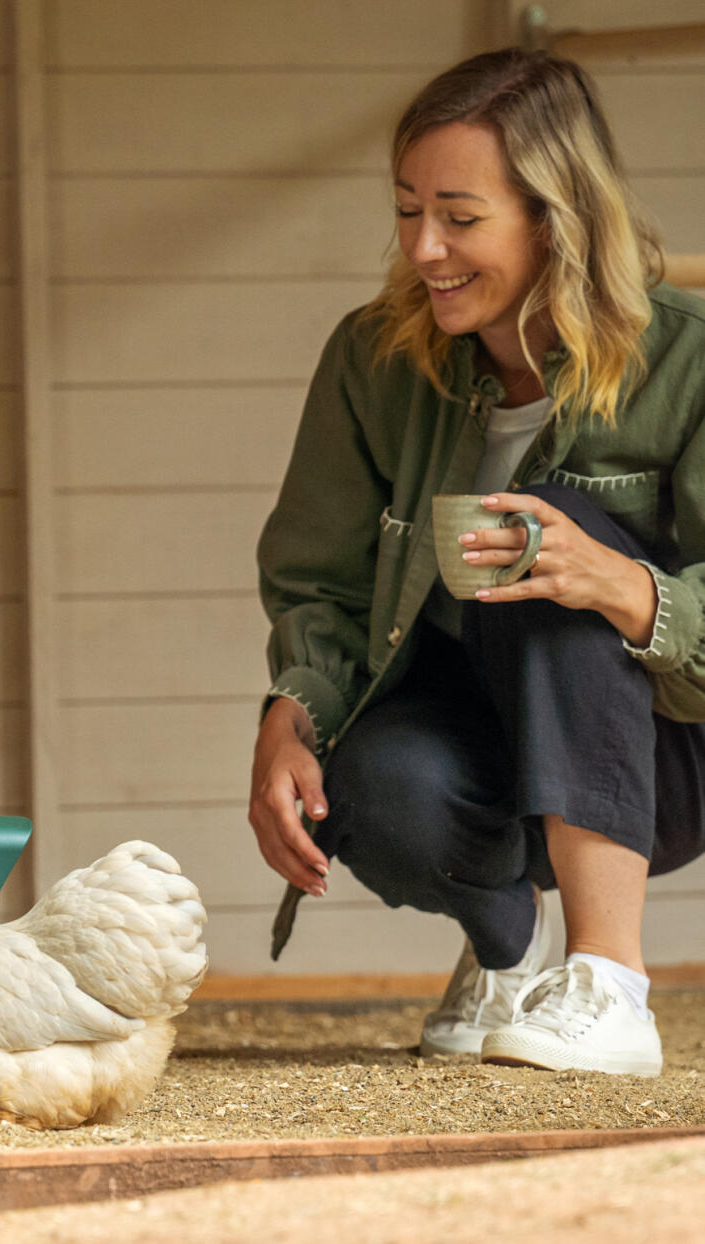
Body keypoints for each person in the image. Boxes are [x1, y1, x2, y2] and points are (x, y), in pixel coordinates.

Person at [248, 47, 705, 1077]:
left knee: (533, 528)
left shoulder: (688, 360)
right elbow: (316, 579)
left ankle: (608, 980)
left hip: (663, 756)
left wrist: (623, 586)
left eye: (458, 217)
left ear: (554, 217)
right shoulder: (371, 360)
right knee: (367, 776)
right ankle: (508, 950)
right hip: (477, 748)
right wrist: (290, 713)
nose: (421, 247)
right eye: (406, 209)